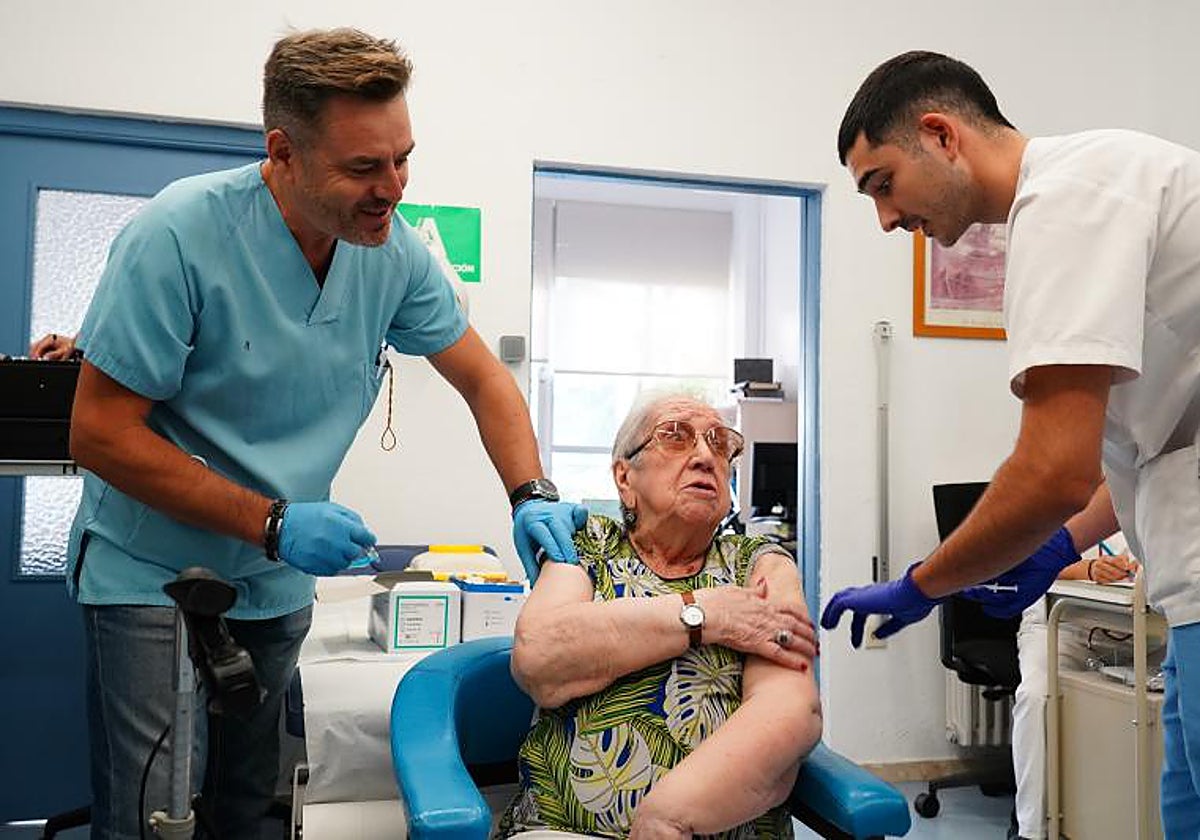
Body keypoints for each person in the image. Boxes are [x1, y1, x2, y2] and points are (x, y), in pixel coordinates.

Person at [66, 28, 584, 839]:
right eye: (365, 167)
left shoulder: (392, 255)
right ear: (284, 152)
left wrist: (531, 492)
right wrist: (273, 521)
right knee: (154, 816)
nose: (393, 189)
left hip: (275, 583)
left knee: (246, 808)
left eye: (403, 159)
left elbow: (485, 379)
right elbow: (98, 433)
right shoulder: (178, 235)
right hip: (155, 572)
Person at [819, 49, 1200, 833]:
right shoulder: (1092, 185)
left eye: (883, 184)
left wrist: (921, 585)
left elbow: (1052, 469)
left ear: (941, 135)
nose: (886, 220)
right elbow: (1144, 443)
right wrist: (1061, 543)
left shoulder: (1066, 200)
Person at [500, 393, 821, 840]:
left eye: (720, 443)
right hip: (563, 830)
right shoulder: (586, 545)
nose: (705, 456)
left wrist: (667, 817)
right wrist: (705, 613)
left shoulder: (759, 564)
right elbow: (539, 657)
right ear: (624, 476)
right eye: (675, 436)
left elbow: (789, 708)